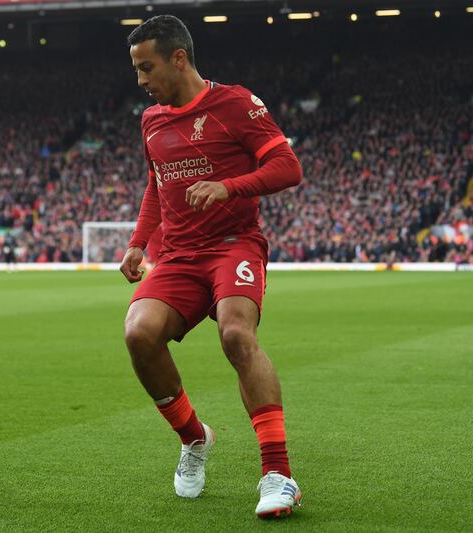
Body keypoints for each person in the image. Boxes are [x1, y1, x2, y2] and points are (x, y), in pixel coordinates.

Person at [120, 15, 304, 519]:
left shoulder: (237, 104)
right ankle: (194, 438)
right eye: (136, 69)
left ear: (179, 58)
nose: (140, 80)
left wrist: (229, 186)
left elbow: (289, 167)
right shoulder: (152, 119)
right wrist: (139, 243)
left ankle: (278, 475)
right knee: (138, 334)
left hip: (232, 245)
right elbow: (157, 184)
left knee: (236, 337)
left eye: (146, 67)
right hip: (178, 255)